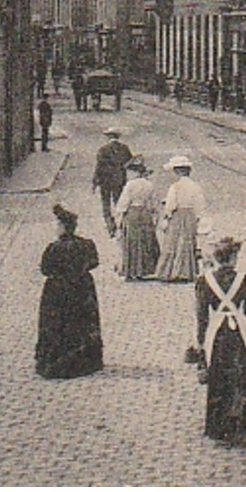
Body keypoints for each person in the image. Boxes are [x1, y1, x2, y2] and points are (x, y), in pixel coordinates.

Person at [196, 236, 246, 443]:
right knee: (240, 375)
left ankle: (218, 425)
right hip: (238, 331)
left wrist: (200, 344)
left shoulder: (204, 282)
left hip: (216, 332)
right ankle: (241, 422)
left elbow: (201, 317)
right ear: (232, 257)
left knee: (218, 376)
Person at [35, 204, 104, 379]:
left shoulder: (54, 248)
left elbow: (45, 269)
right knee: (82, 320)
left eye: (58, 225)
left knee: (58, 322)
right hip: (82, 288)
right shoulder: (87, 244)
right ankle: (85, 358)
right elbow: (94, 262)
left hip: (58, 290)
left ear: (63, 227)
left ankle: (58, 359)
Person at [156, 155, 207, 281]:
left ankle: (173, 271)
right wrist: (198, 217)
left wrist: (166, 214)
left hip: (178, 216)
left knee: (173, 242)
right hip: (190, 215)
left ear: (177, 171)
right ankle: (186, 271)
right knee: (187, 242)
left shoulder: (175, 186)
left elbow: (171, 205)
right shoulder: (195, 186)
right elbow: (200, 204)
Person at [113, 160, 161, 280]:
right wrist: (154, 216)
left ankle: (131, 270)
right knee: (145, 240)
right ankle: (144, 270)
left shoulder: (130, 185)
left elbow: (123, 202)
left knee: (132, 241)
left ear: (135, 172)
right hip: (144, 213)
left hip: (133, 212)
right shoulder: (149, 185)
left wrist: (119, 217)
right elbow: (154, 203)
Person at [92, 128, 132, 237]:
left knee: (106, 204)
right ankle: (121, 224)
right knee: (119, 202)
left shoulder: (103, 149)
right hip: (119, 180)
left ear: (108, 137)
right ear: (118, 137)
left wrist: (94, 182)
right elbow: (129, 162)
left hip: (105, 181)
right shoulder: (124, 148)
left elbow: (99, 167)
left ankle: (110, 226)